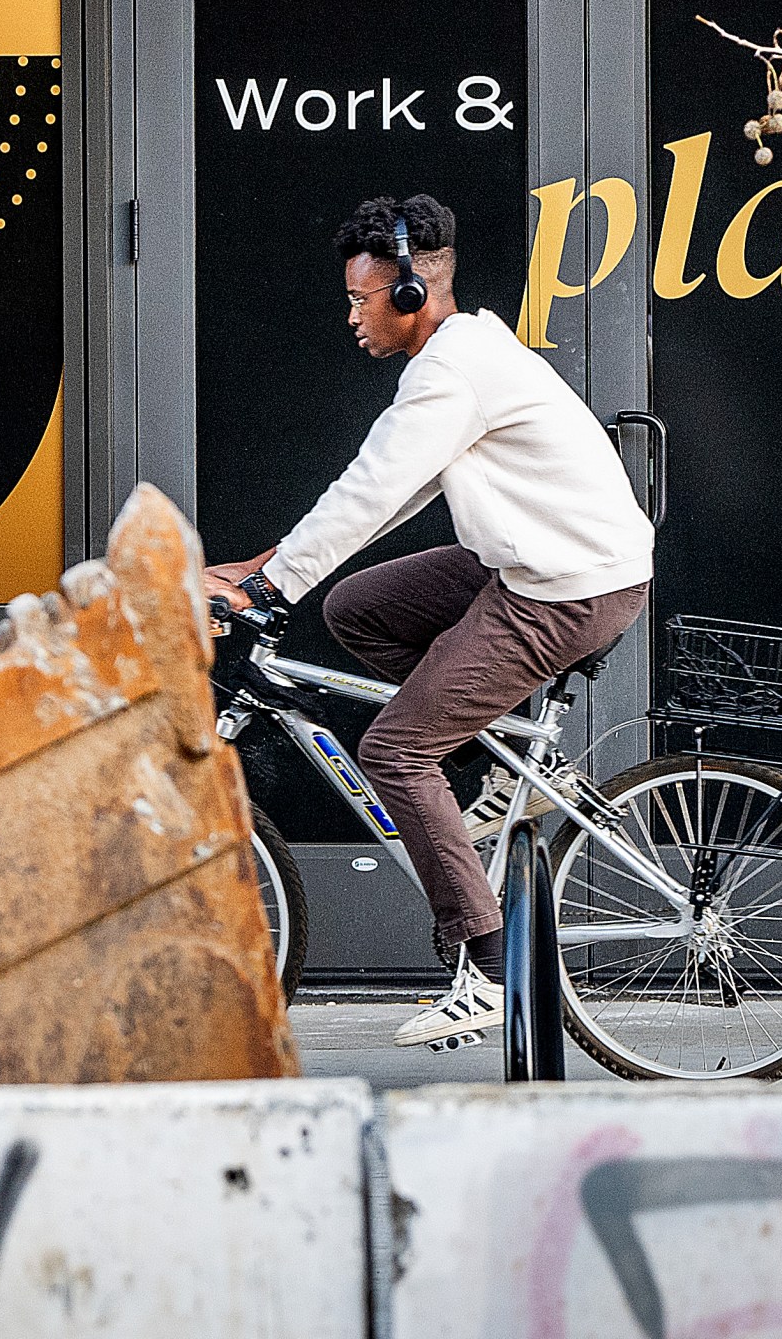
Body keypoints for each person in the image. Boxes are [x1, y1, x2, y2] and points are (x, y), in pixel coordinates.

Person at [204, 193, 653, 1049]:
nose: (351, 316)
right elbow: (395, 492)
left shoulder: (454, 369)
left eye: (359, 298)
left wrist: (266, 596)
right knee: (355, 608)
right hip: (530, 562)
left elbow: (373, 488)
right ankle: (491, 758)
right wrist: (276, 567)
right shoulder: (458, 359)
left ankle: (486, 966)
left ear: (410, 294)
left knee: (396, 751)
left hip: (568, 587)